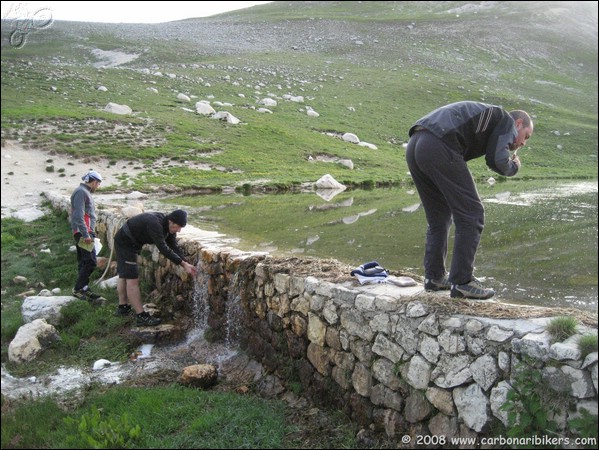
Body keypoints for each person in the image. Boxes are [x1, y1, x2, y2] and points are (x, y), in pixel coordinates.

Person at [406, 101, 533, 299]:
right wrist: (513, 167)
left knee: (439, 218)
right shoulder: (506, 120)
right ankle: (463, 282)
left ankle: (434, 277)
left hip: (416, 143)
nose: (523, 143)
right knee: (472, 214)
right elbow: (496, 160)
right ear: (518, 124)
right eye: (526, 136)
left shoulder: (493, 118)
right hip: (440, 144)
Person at [114, 209, 198, 326]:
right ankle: (141, 317)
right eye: (178, 227)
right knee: (132, 279)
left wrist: (186, 262)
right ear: (171, 221)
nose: (178, 230)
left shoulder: (168, 227)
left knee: (124, 275)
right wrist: (183, 264)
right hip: (125, 243)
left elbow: (173, 246)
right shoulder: (155, 224)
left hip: (130, 242)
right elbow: (163, 248)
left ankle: (123, 308)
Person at [70, 170, 105, 302]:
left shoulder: (83, 192)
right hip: (82, 233)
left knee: (84, 261)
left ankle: (84, 287)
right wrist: (86, 234)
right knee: (90, 261)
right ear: (94, 182)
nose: (98, 187)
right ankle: (78, 289)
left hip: (84, 232)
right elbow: (78, 215)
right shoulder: (81, 192)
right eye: (98, 184)